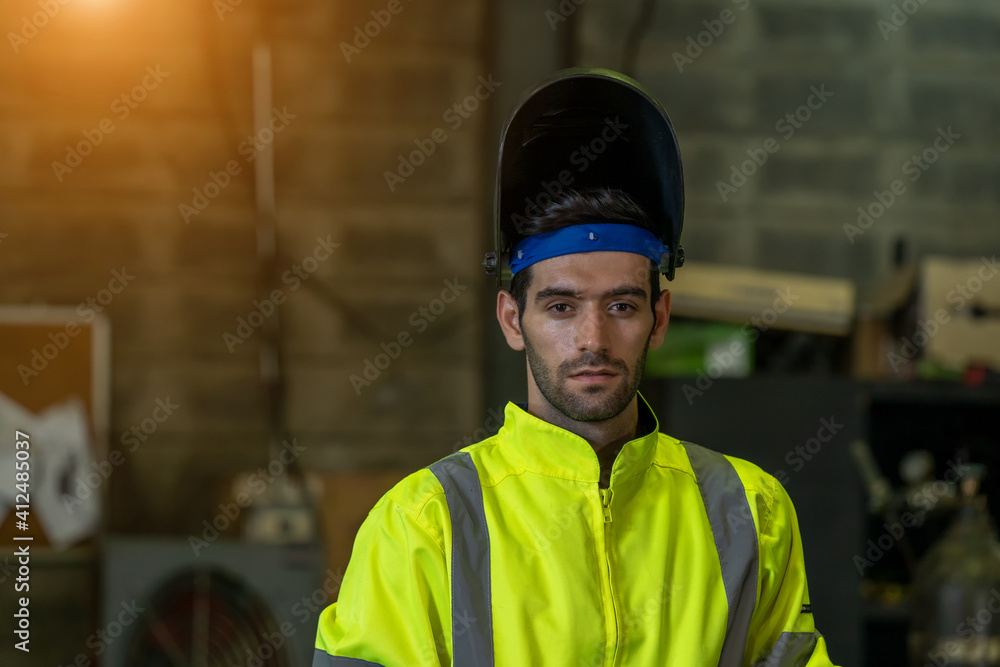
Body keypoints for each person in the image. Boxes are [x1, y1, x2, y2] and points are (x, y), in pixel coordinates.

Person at [312, 69, 839, 666]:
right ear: (513, 320)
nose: (593, 338)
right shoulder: (422, 526)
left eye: (621, 305)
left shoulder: (750, 512)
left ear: (659, 318)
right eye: (561, 306)